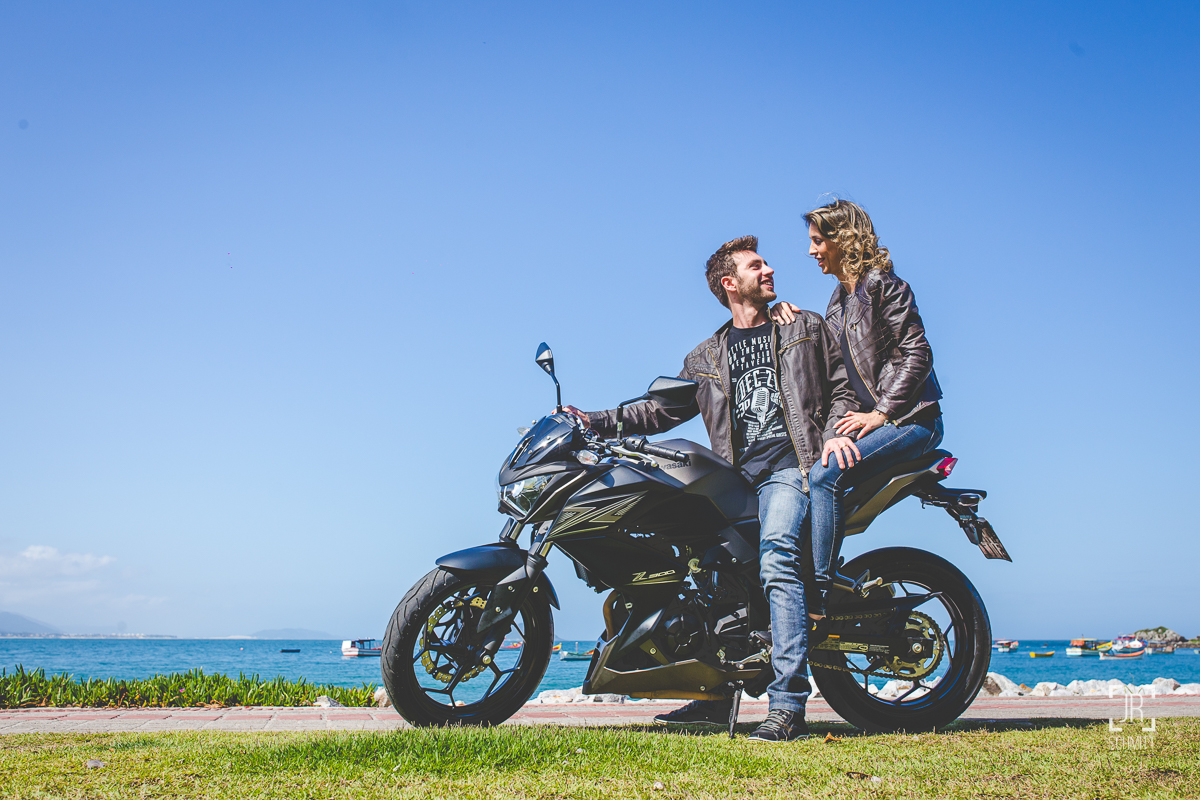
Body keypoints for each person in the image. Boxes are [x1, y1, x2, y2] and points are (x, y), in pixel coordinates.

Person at [564, 235, 858, 742]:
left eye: (765, 262)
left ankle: (788, 706)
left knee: (777, 557)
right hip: (735, 477)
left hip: (793, 468)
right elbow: (657, 410)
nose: (768, 269)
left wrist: (834, 434)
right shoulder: (705, 356)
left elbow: (842, 385)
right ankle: (713, 701)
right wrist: (592, 420)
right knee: (712, 578)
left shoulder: (804, 327)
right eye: (755, 265)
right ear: (729, 283)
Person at [773, 199, 944, 615]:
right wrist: (788, 316)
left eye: (817, 241)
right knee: (810, 465)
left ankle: (821, 588)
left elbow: (917, 353)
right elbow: (835, 371)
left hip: (911, 420)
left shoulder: (885, 285)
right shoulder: (838, 302)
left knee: (826, 475)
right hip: (871, 420)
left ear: (843, 238)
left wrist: (882, 412)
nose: (811, 251)